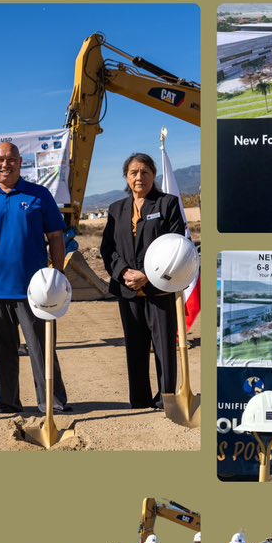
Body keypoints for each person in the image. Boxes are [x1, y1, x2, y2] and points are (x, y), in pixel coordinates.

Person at [0, 142, 70, 414]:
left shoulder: (39, 195)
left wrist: (58, 275)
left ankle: (51, 402)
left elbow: (56, 236)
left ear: (20, 163)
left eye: (11, 159)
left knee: (42, 349)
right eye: (0, 160)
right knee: (3, 351)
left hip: (35, 291)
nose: (5, 164)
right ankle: (8, 403)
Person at [100, 152, 186, 409]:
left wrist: (148, 276)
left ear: (153, 175)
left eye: (145, 172)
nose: (139, 177)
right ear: (127, 177)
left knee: (164, 348)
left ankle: (166, 399)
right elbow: (108, 248)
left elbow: (177, 248)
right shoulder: (117, 208)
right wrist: (124, 273)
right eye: (134, 172)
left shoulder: (167, 204)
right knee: (135, 348)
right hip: (127, 291)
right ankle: (138, 398)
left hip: (159, 290)